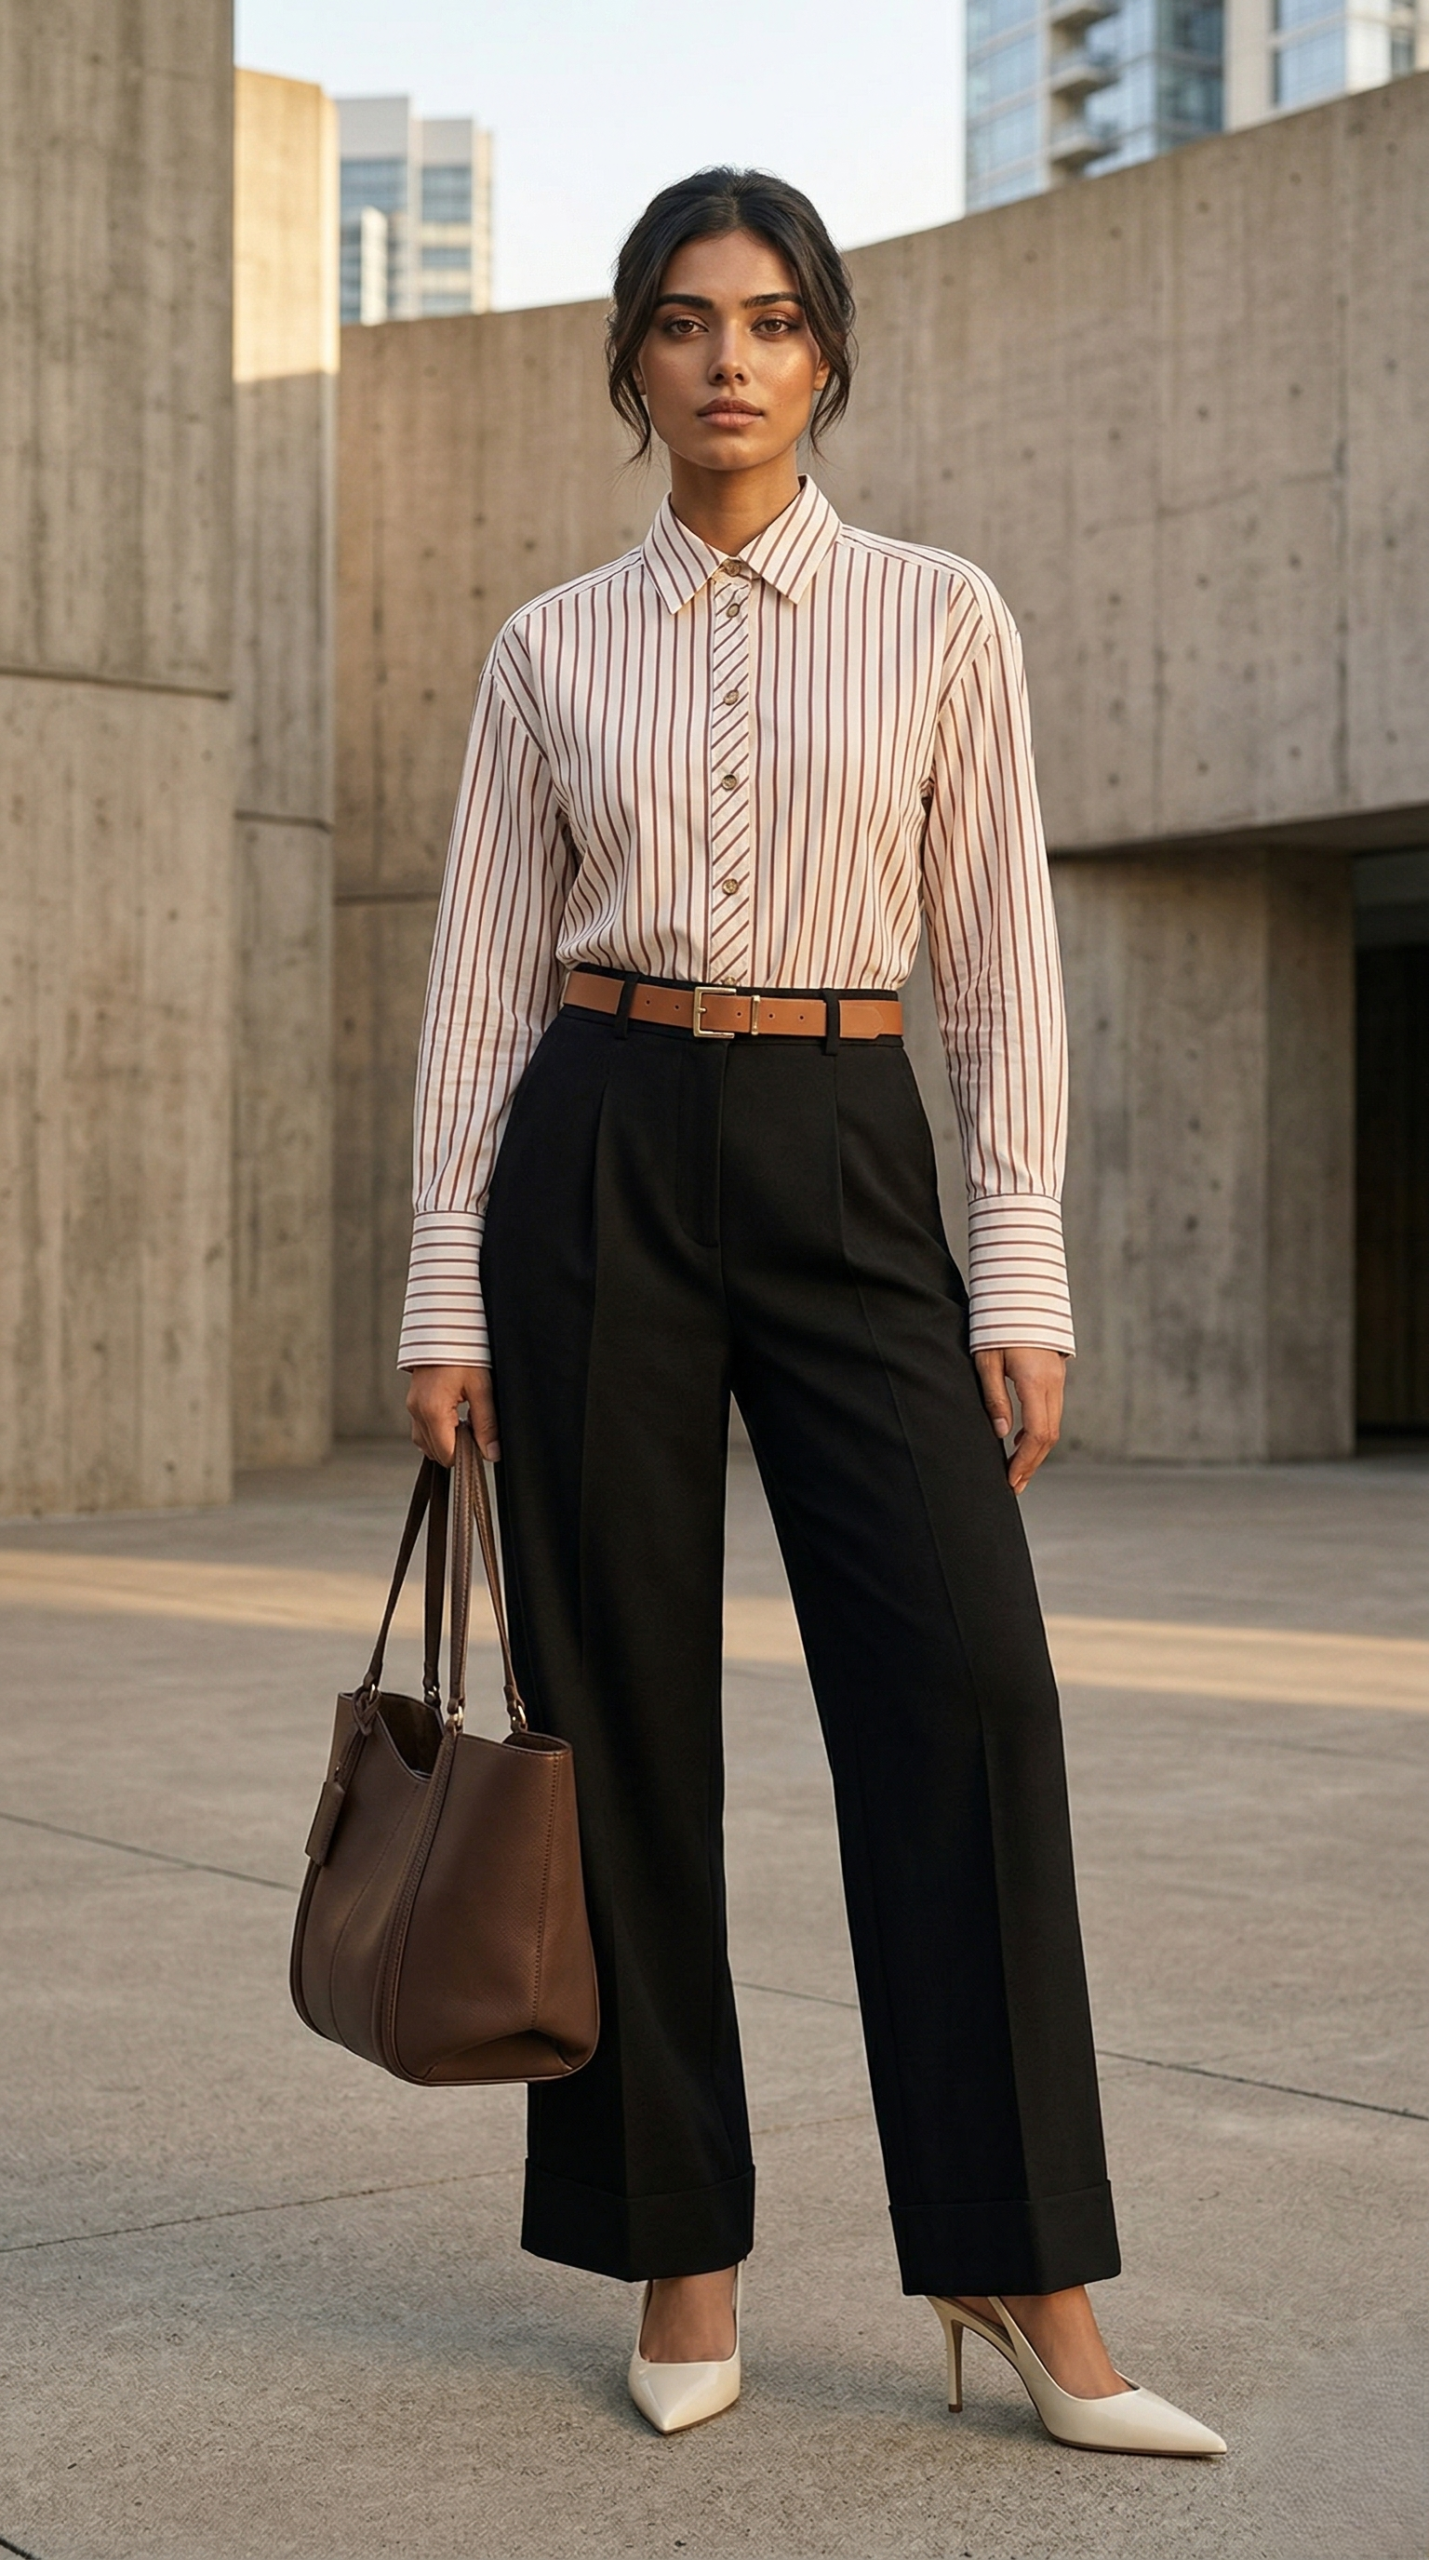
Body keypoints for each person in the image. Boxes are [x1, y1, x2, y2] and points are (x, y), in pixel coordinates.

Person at [402, 167, 1224, 2459]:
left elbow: (997, 961)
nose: (729, 359)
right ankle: (682, 2237)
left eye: (770, 319)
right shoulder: (548, 647)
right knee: (618, 1713)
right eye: (683, 322)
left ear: (829, 354)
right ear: (633, 365)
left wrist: (1023, 1253)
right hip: (601, 1143)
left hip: (854, 1136)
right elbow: (477, 988)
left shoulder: (945, 615)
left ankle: (1018, 2261)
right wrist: (441, 1277)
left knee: (969, 1686)